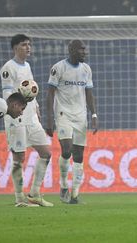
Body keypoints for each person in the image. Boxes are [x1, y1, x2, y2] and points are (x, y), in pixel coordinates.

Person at [0, 34, 53, 207]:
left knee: (46, 153)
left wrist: (36, 107)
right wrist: (19, 105)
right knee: (19, 157)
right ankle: (19, 197)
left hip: (31, 118)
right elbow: (8, 95)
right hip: (17, 118)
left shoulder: (27, 65)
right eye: (24, 45)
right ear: (15, 47)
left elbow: (30, 89)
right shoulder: (8, 68)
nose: (28, 47)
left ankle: (35, 193)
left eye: (29, 45)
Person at [46, 40, 98, 204]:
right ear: (71, 50)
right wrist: (49, 118)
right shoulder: (58, 68)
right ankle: (63, 185)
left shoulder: (86, 69)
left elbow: (89, 94)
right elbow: (50, 94)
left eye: (85, 49)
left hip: (80, 116)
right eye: (81, 49)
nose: (84, 52)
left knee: (79, 155)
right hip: (63, 114)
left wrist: (94, 115)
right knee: (67, 150)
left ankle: (75, 194)